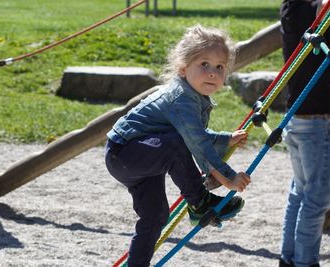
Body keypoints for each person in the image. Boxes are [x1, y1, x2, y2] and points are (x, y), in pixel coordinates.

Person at [105, 24, 251, 267]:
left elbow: (194, 133)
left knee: (155, 215)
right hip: (126, 152)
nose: (213, 73)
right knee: (173, 146)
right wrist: (229, 178)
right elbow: (197, 143)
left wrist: (226, 139)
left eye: (219, 67)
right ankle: (200, 203)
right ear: (183, 68)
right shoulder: (181, 98)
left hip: (145, 155)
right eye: (204, 64)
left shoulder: (194, 97)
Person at [279, 1, 330, 267]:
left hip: (297, 118)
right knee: (318, 197)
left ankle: (288, 258)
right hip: (316, 122)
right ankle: (305, 262)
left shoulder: (290, 8)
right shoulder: (313, 11)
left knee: (300, 192)